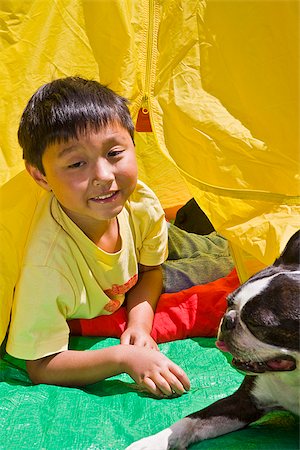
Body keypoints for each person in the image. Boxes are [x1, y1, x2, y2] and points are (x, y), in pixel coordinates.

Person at [6, 76, 190, 398]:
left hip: (158, 234)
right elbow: (40, 365)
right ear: (40, 176)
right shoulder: (48, 264)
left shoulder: (141, 205)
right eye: (77, 163)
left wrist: (139, 325)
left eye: (115, 153)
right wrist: (123, 357)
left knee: (208, 254)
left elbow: (150, 271)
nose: (105, 176)